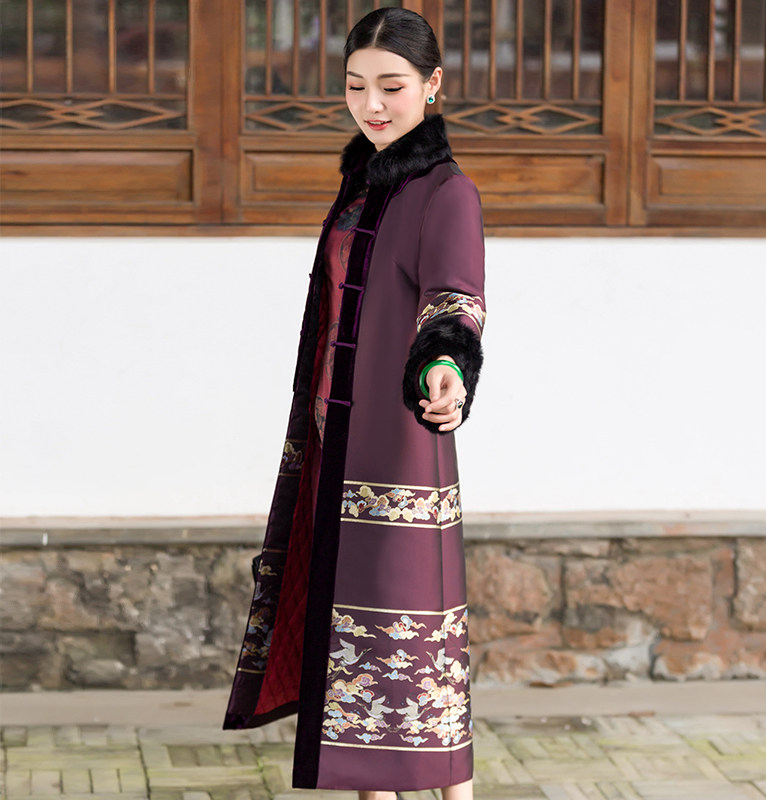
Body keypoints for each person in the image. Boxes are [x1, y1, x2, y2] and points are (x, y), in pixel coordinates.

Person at [223, 9, 486, 800]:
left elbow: (454, 298)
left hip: (395, 444)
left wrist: (446, 365)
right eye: (356, 86)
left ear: (432, 86)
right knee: (349, 641)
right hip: (332, 438)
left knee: (411, 635)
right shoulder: (361, 186)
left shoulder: (447, 192)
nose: (372, 104)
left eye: (392, 87)